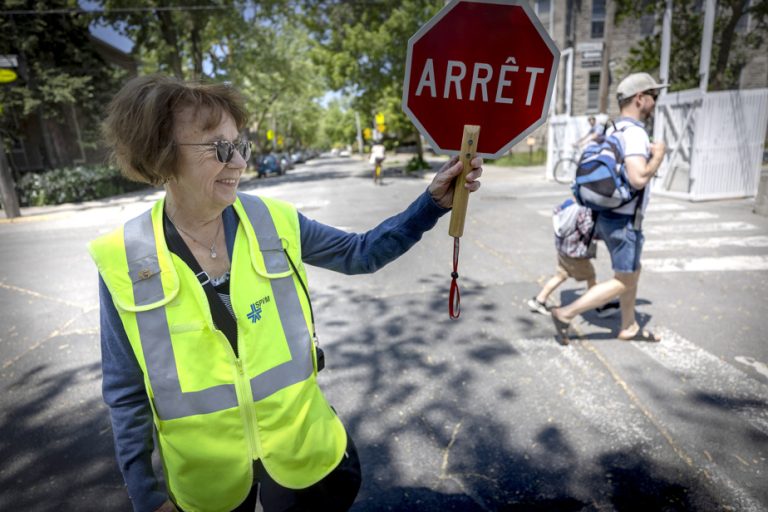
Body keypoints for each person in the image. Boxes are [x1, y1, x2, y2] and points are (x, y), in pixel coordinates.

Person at [89, 74, 483, 512]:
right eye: (219, 148)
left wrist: (430, 204)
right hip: (208, 483)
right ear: (161, 155)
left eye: (240, 145)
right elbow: (125, 392)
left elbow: (361, 253)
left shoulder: (273, 221)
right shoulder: (126, 258)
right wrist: (146, 496)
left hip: (303, 459)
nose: (238, 162)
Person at [550, 72, 667, 345]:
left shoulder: (613, 129)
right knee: (625, 279)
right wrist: (658, 156)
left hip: (605, 214)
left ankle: (629, 326)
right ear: (640, 99)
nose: (655, 103)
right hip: (625, 221)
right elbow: (638, 178)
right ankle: (566, 313)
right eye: (654, 96)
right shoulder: (636, 133)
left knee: (631, 273)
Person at [527, 199, 619, 318]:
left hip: (563, 249)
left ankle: (539, 300)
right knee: (591, 277)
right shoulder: (584, 210)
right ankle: (600, 306)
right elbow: (587, 230)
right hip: (575, 254)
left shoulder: (567, 204)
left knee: (561, 275)